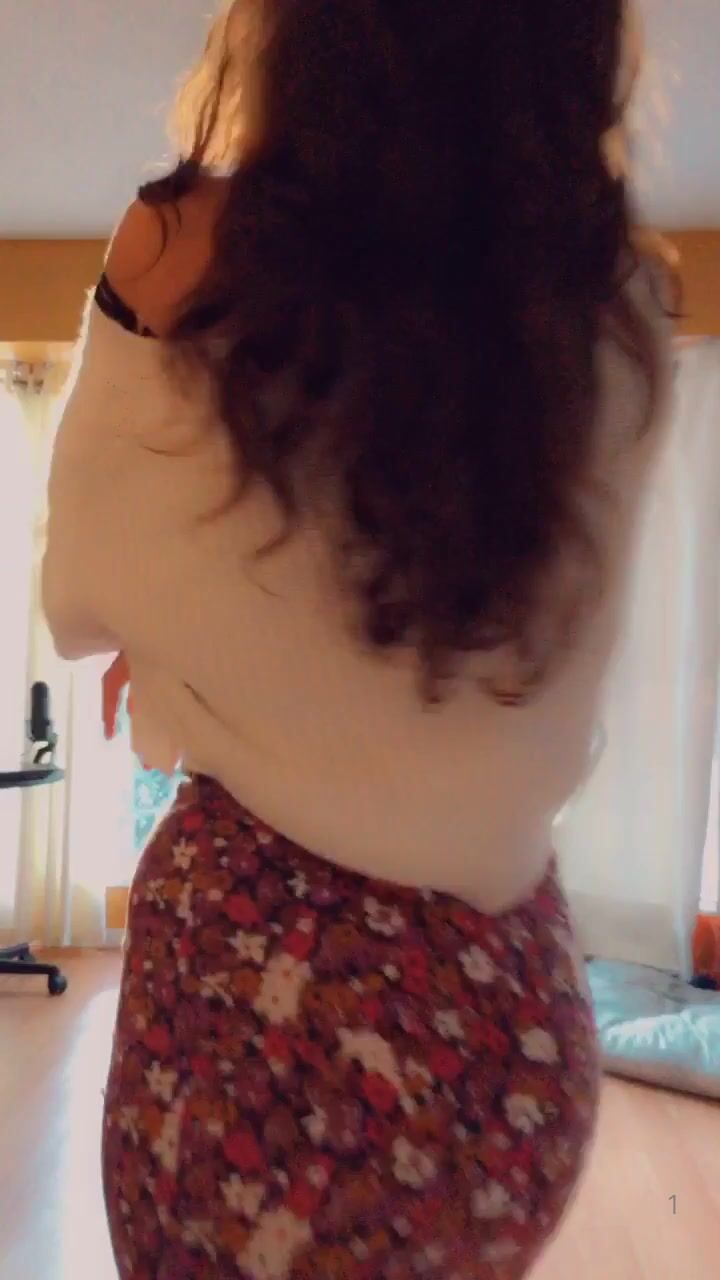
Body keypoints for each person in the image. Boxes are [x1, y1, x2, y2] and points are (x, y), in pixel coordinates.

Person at [43, 1, 673, 1276]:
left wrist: (176, 641)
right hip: (507, 1031)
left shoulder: (183, 242)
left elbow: (82, 591)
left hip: (264, 1004)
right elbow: (496, 649)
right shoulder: (619, 298)